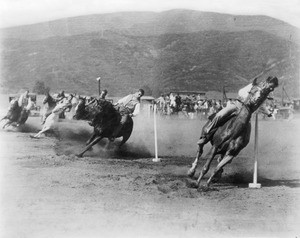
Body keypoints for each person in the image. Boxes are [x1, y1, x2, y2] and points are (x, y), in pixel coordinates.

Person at [197, 79, 276, 145]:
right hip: (236, 106)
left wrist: (268, 113)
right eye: (271, 86)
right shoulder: (254, 86)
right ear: (267, 82)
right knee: (219, 115)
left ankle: (233, 150)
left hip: (246, 113)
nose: (271, 89)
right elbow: (241, 91)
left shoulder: (265, 94)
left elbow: (261, 105)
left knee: (246, 133)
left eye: (273, 88)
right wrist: (247, 97)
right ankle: (205, 135)